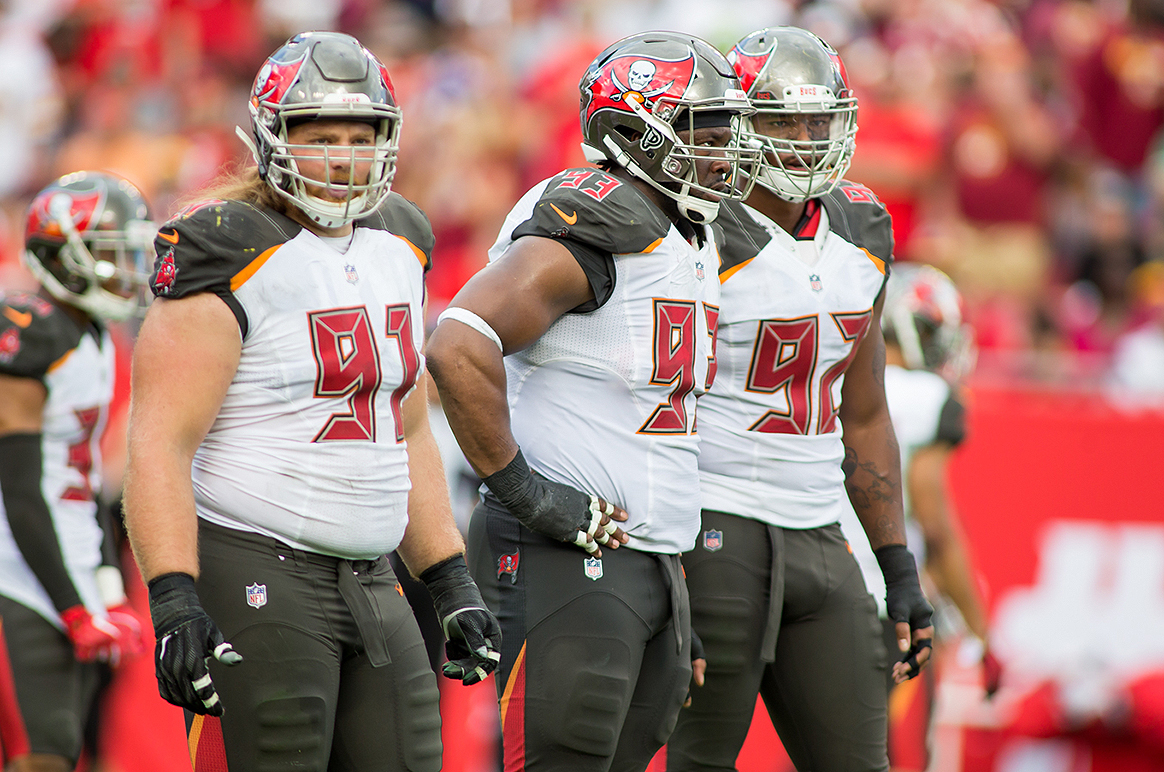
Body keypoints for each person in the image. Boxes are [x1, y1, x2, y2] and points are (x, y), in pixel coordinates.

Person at [121, 31, 500, 772]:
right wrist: (174, 600)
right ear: (272, 137)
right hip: (258, 567)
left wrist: (449, 578)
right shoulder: (227, 245)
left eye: (362, 136)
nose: (343, 155)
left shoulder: (402, 238)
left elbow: (408, 426)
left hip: (373, 574)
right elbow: (160, 440)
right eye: (320, 135)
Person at [425, 31, 759, 772]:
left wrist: (672, 596)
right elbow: (458, 341)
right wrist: (528, 494)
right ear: (636, 130)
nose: (725, 148)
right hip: (563, 555)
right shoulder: (602, 218)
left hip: (645, 563)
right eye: (705, 129)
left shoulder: (689, 231)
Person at [665, 27, 934, 772]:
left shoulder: (863, 225)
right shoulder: (696, 230)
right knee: (699, 759)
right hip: (715, 525)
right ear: (739, 122)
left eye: (819, 120)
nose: (807, 139)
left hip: (820, 529)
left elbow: (867, 409)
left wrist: (897, 564)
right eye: (783, 120)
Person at [0, 170, 153, 772]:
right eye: (112, 254)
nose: (127, 270)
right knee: (42, 752)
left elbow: (87, 481)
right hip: (17, 573)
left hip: (70, 568)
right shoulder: (30, 334)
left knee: (64, 750)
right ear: (59, 254)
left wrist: (107, 591)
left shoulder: (96, 335)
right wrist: (72, 603)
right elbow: (19, 487)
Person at [842, 262, 998, 770]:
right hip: (878, 594)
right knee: (865, 752)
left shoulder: (836, 370)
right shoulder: (928, 397)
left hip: (812, 566)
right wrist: (981, 630)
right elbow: (935, 524)